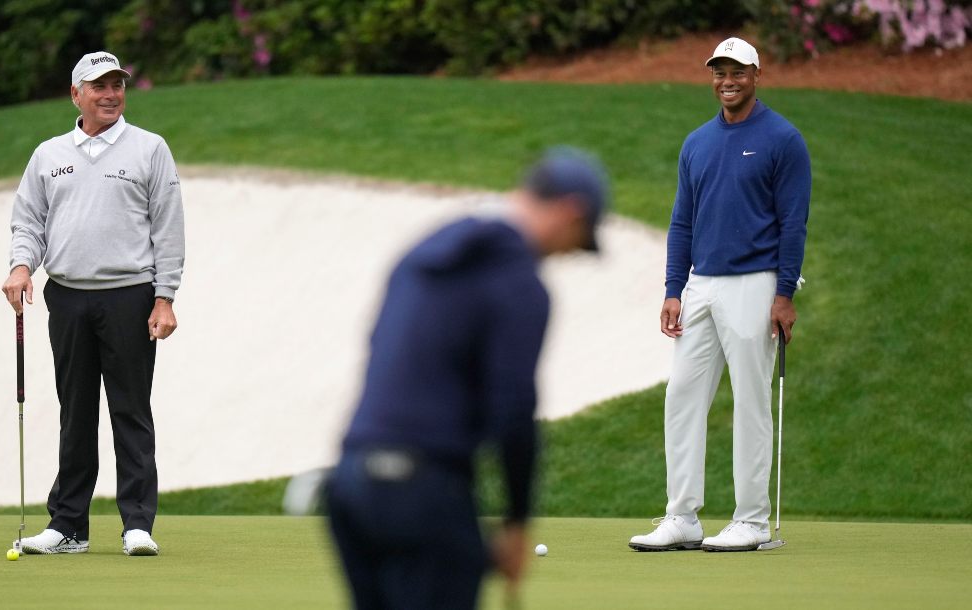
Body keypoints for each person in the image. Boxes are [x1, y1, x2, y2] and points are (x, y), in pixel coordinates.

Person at [327, 148, 609, 609]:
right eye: (575, 242)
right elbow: (514, 410)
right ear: (569, 212)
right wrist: (518, 521)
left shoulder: (428, 249)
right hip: (425, 494)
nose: (563, 255)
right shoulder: (520, 283)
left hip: (353, 484)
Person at [628, 37, 810, 552]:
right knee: (681, 397)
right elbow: (682, 220)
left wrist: (784, 293)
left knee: (751, 403)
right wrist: (672, 288)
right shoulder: (697, 143)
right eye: (719, 72)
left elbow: (793, 223)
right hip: (701, 285)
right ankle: (682, 516)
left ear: (757, 76)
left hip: (756, 282)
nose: (727, 81)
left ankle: (751, 519)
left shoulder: (782, 139)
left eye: (737, 72)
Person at [0, 51, 185, 556]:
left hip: (130, 296)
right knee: (75, 412)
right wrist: (21, 266)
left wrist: (164, 298)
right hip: (68, 297)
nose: (110, 94)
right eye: (98, 86)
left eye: (117, 85)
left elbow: (168, 230)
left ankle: (137, 525)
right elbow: (29, 223)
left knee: (130, 411)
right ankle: (68, 527)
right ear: (75, 94)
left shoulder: (149, 149)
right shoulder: (48, 154)